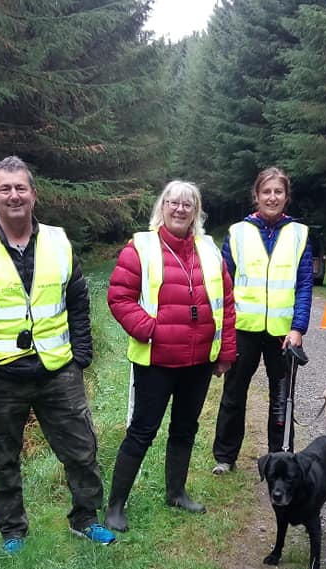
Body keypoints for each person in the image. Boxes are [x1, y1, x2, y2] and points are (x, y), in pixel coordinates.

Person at [0, 156, 115, 551]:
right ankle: (13, 533)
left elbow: (77, 299)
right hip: (0, 374)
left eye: (21, 187)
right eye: (5, 188)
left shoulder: (59, 241)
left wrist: (81, 355)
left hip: (57, 370)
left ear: (34, 195)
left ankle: (86, 519)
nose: (14, 195)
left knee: (82, 449)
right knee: (2, 460)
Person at [105, 180, 236, 531]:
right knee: (142, 431)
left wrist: (225, 351)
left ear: (196, 212)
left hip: (198, 361)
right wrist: (150, 329)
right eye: (173, 202)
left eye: (187, 204)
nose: (180, 209)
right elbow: (119, 297)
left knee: (185, 428)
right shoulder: (140, 247)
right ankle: (116, 505)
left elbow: (227, 303)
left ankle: (176, 492)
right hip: (155, 361)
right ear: (161, 207)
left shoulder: (210, 250)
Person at [211, 167, 314, 474]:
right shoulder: (238, 232)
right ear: (256, 196)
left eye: (278, 192)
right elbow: (222, 283)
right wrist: (222, 328)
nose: (272, 197)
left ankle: (277, 454)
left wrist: (298, 328)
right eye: (266, 192)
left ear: (286, 197)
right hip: (244, 328)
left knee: (281, 395)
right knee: (234, 392)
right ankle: (225, 457)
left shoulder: (299, 233)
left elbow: (305, 283)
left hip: (283, 333)